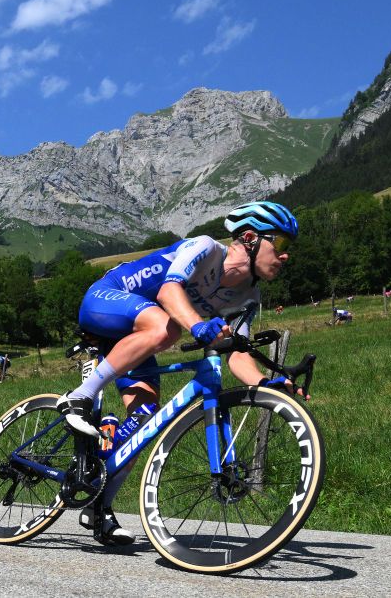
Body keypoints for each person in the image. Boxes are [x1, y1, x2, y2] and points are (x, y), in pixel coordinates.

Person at [56, 201, 299, 546]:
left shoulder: (247, 297)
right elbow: (169, 290)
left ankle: (98, 505)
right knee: (166, 328)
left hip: (139, 338)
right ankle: (79, 397)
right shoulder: (204, 249)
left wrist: (265, 383)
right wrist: (198, 326)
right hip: (107, 300)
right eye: (283, 245)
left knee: (143, 419)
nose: (286, 256)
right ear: (250, 238)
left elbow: (236, 354)